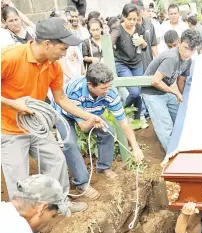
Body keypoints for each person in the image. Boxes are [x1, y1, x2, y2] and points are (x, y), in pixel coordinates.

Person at [1, 17, 107, 233]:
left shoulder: (53, 66)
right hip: (9, 129)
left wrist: (87, 115)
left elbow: (61, 99)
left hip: (37, 126)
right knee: (20, 184)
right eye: (63, 47)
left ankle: (60, 201)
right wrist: (13, 104)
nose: (66, 53)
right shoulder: (10, 57)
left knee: (56, 160)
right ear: (47, 43)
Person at [54, 63, 144, 200]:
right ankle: (82, 183)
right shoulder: (75, 91)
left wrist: (135, 146)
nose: (107, 90)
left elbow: (123, 122)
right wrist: (92, 120)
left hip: (91, 113)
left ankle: (103, 167)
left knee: (107, 130)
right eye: (103, 88)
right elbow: (83, 127)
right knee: (71, 144)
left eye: (109, 86)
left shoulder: (110, 93)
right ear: (90, 85)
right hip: (65, 113)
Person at [142, 29, 202, 151]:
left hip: (165, 91)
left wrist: (186, 98)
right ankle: (172, 157)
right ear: (179, 42)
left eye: (191, 50)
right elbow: (155, 81)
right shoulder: (171, 58)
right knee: (166, 126)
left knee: (181, 118)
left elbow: (181, 81)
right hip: (152, 93)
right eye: (185, 48)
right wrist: (175, 93)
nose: (187, 53)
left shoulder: (187, 60)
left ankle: (182, 148)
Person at [111, 4, 147, 121]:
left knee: (139, 92)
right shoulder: (117, 29)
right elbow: (110, 43)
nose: (132, 22)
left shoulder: (139, 28)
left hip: (136, 62)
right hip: (122, 63)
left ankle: (137, 118)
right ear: (124, 17)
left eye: (134, 19)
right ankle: (121, 111)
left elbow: (144, 47)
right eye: (129, 19)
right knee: (134, 92)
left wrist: (142, 42)